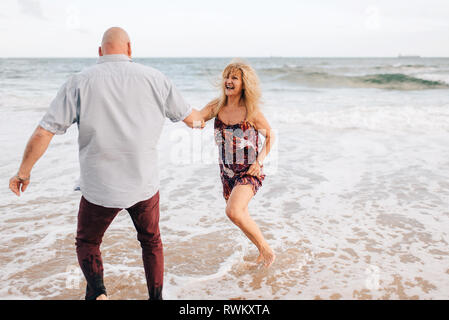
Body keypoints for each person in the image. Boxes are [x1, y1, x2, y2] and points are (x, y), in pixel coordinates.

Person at [8, 27, 204, 300]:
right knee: (151, 242)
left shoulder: (80, 81)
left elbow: (44, 131)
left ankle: (99, 293)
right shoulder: (156, 79)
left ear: (100, 52)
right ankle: (156, 297)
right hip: (143, 186)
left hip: (100, 188)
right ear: (130, 49)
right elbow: (195, 120)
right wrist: (226, 104)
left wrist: (23, 172)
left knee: (88, 242)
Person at [199, 60, 276, 267]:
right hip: (227, 173)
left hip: (249, 171)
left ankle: (268, 251)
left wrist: (259, 162)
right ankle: (261, 250)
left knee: (233, 212)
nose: (228, 81)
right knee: (239, 215)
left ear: (244, 84)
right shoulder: (217, 106)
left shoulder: (251, 111)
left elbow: (270, 136)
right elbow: (197, 117)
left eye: (234, 77)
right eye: (227, 76)